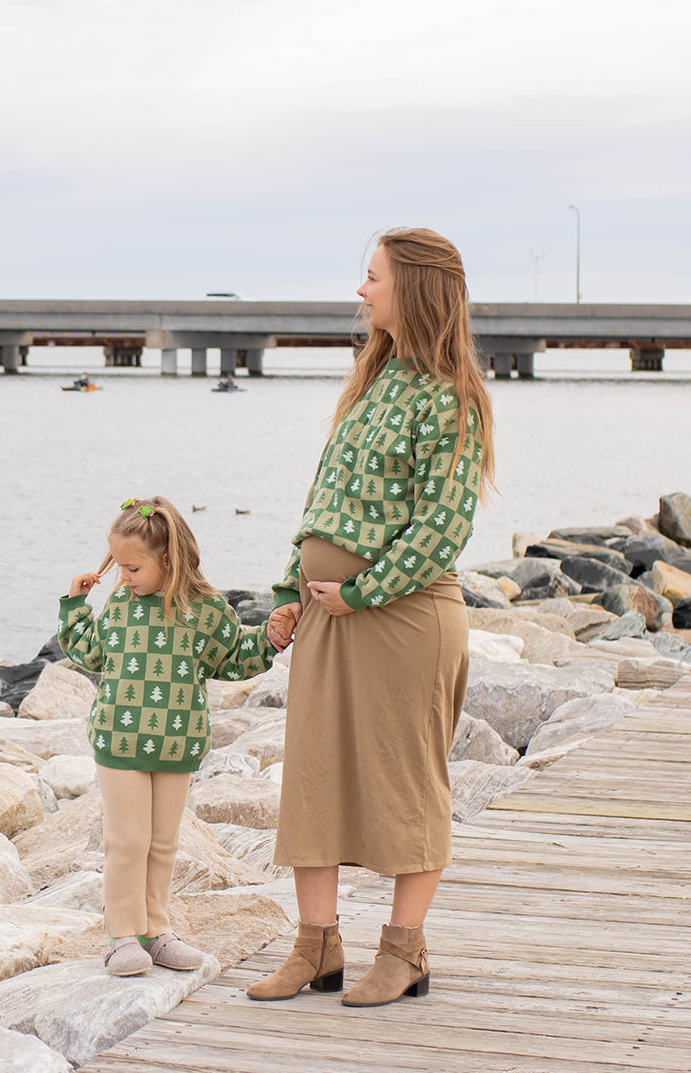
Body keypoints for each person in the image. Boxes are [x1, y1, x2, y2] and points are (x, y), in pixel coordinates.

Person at [250, 227, 495, 1009]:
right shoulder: (373, 380)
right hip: (330, 617)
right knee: (313, 782)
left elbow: (440, 525)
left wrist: (361, 591)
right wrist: (293, 586)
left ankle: (404, 951)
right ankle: (315, 947)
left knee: (404, 785)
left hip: (403, 620)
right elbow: (325, 499)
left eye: (372, 278)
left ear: (415, 289)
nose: (360, 292)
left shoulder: (452, 398)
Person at [59, 496, 279, 977]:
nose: (123, 577)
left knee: (162, 843)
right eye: (118, 566)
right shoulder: (119, 603)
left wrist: (272, 637)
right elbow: (90, 653)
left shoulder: (206, 611)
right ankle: (121, 936)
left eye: (132, 567)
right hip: (119, 741)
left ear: (167, 559)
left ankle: (156, 931)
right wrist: (76, 604)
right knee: (127, 840)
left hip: (177, 744)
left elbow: (236, 658)